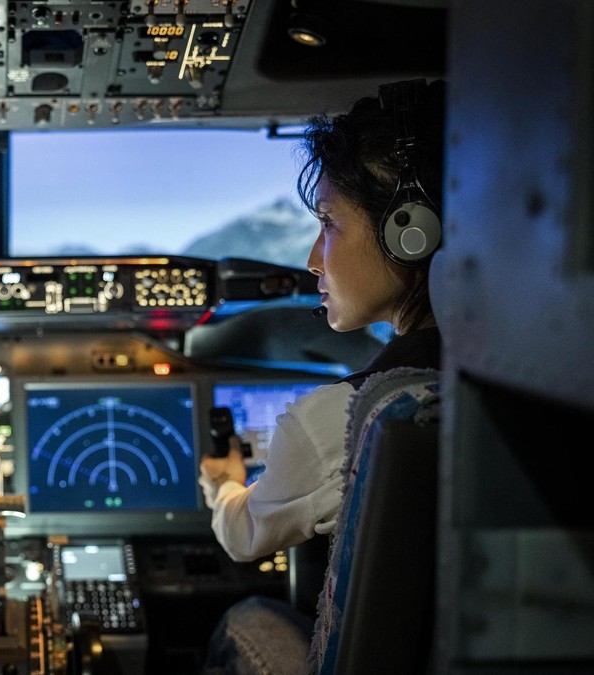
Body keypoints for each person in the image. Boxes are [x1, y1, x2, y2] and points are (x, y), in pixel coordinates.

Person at [198, 78, 446, 674]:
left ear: (408, 231)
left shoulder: (352, 416)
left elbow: (242, 535)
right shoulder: (517, 375)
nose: (313, 259)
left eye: (330, 224)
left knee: (247, 617)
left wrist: (225, 485)